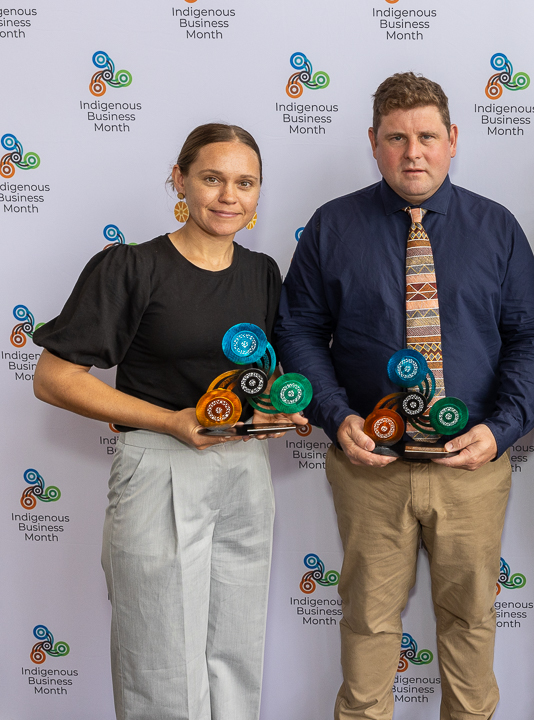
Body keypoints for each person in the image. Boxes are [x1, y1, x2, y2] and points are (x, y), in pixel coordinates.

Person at [273, 72, 534, 720]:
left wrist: (503, 428)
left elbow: (533, 335)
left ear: (452, 139)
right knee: (370, 625)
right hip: (371, 470)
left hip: (471, 469)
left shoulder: (496, 228)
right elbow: (299, 329)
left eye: (427, 136)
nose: (413, 152)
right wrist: (337, 415)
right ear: (374, 142)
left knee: (471, 624)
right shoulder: (332, 227)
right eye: (396, 138)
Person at [32, 123, 306, 720]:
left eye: (244, 183)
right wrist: (169, 420)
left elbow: (258, 378)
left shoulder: (261, 273)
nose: (228, 195)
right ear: (179, 180)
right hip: (161, 469)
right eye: (212, 178)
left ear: (259, 194)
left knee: (235, 658)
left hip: (245, 474)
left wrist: (279, 410)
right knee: (160, 666)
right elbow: (53, 378)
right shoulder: (130, 267)